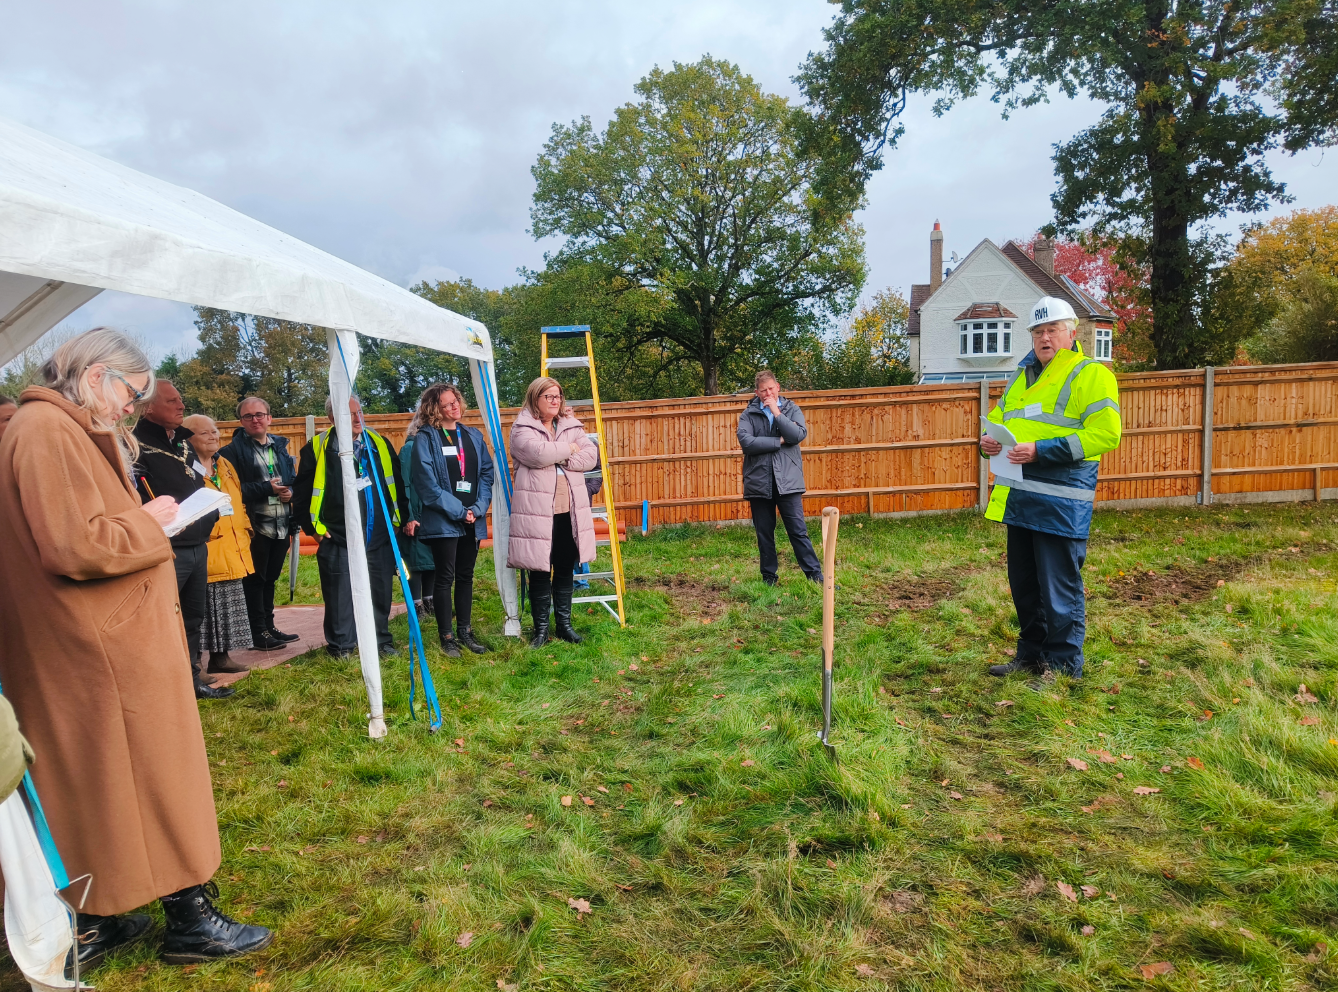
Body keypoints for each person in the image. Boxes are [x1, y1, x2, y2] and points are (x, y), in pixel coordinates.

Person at [0, 328, 272, 972]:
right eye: (130, 391)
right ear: (95, 376)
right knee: (153, 774)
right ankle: (189, 918)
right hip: (101, 646)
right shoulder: (46, 431)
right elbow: (72, 544)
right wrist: (150, 524)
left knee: (97, 785)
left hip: (86, 640)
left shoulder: (48, 427)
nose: (132, 406)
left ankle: (99, 917)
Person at [980, 296, 1122, 684]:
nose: (1045, 338)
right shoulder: (1020, 377)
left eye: (1052, 330)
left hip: (1060, 502)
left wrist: (1042, 452)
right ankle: (1031, 655)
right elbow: (997, 421)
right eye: (1038, 331)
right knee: (1024, 586)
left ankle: (1062, 667)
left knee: (1059, 589)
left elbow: (1106, 434)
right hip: (1020, 499)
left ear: (1072, 332)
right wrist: (987, 442)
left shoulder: (1090, 374)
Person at [132, 380, 230, 699]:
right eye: (172, 401)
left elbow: (196, 481)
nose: (181, 406)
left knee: (193, 616)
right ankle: (163, 687)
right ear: (149, 407)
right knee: (163, 619)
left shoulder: (184, 444)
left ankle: (192, 681)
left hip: (197, 545)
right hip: (166, 548)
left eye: (180, 400)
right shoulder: (136, 446)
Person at [293, 395, 408, 658]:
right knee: (339, 594)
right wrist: (315, 532)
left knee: (379, 591)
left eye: (360, 413)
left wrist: (399, 519)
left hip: (378, 533)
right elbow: (301, 494)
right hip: (337, 535)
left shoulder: (378, 443)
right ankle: (341, 646)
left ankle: (381, 641)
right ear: (333, 419)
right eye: (350, 415)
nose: (358, 419)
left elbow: (397, 483)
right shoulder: (317, 447)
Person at [508, 377, 599, 647]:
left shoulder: (571, 425)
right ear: (535, 398)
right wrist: (569, 449)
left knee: (563, 569)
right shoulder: (522, 428)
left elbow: (590, 456)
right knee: (538, 570)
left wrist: (558, 453)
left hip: (568, 512)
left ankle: (564, 626)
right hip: (536, 514)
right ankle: (540, 631)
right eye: (548, 396)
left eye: (558, 396)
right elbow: (536, 454)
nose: (555, 400)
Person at [410, 383, 495, 656]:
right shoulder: (425, 438)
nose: (454, 406)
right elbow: (427, 485)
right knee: (444, 577)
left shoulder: (472, 435)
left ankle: (466, 633)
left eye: (455, 400)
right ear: (434, 409)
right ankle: (447, 637)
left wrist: (478, 508)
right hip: (445, 520)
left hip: (473, 517)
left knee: (466, 576)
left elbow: (485, 474)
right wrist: (460, 511)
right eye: (446, 404)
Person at [217, 397, 297, 651]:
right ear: (241, 422)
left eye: (260, 415)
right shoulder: (230, 453)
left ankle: (269, 626)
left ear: (269, 418)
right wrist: (266, 488)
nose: (255, 420)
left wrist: (290, 492)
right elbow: (232, 490)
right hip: (253, 526)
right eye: (248, 416)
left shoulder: (280, 447)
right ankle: (256, 632)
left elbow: (292, 479)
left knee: (270, 578)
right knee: (255, 579)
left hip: (281, 523)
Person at [184, 414, 255, 679]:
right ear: (188, 439)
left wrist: (246, 526)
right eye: (205, 433)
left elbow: (237, 500)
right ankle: (196, 665)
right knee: (200, 611)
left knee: (227, 606)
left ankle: (221, 658)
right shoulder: (185, 468)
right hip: (205, 547)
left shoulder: (224, 464)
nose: (214, 436)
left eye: (215, 431)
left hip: (232, 544)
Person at [737, 370, 822, 585]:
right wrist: (779, 442)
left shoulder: (792, 409)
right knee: (764, 534)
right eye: (763, 390)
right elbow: (747, 444)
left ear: (778, 387)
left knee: (798, 531)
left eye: (771, 389)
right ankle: (769, 578)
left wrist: (776, 412)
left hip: (789, 483)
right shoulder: (748, 414)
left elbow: (796, 435)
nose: (768, 393)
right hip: (759, 483)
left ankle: (815, 577)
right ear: (757, 392)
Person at [398, 405, 437, 621]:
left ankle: (430, 601)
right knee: (415, 562)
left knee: (431, 561)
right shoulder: (409, 449)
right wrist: (409, 516)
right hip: (416, 513)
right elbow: (404, 483)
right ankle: (416, 605)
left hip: (432, 513)